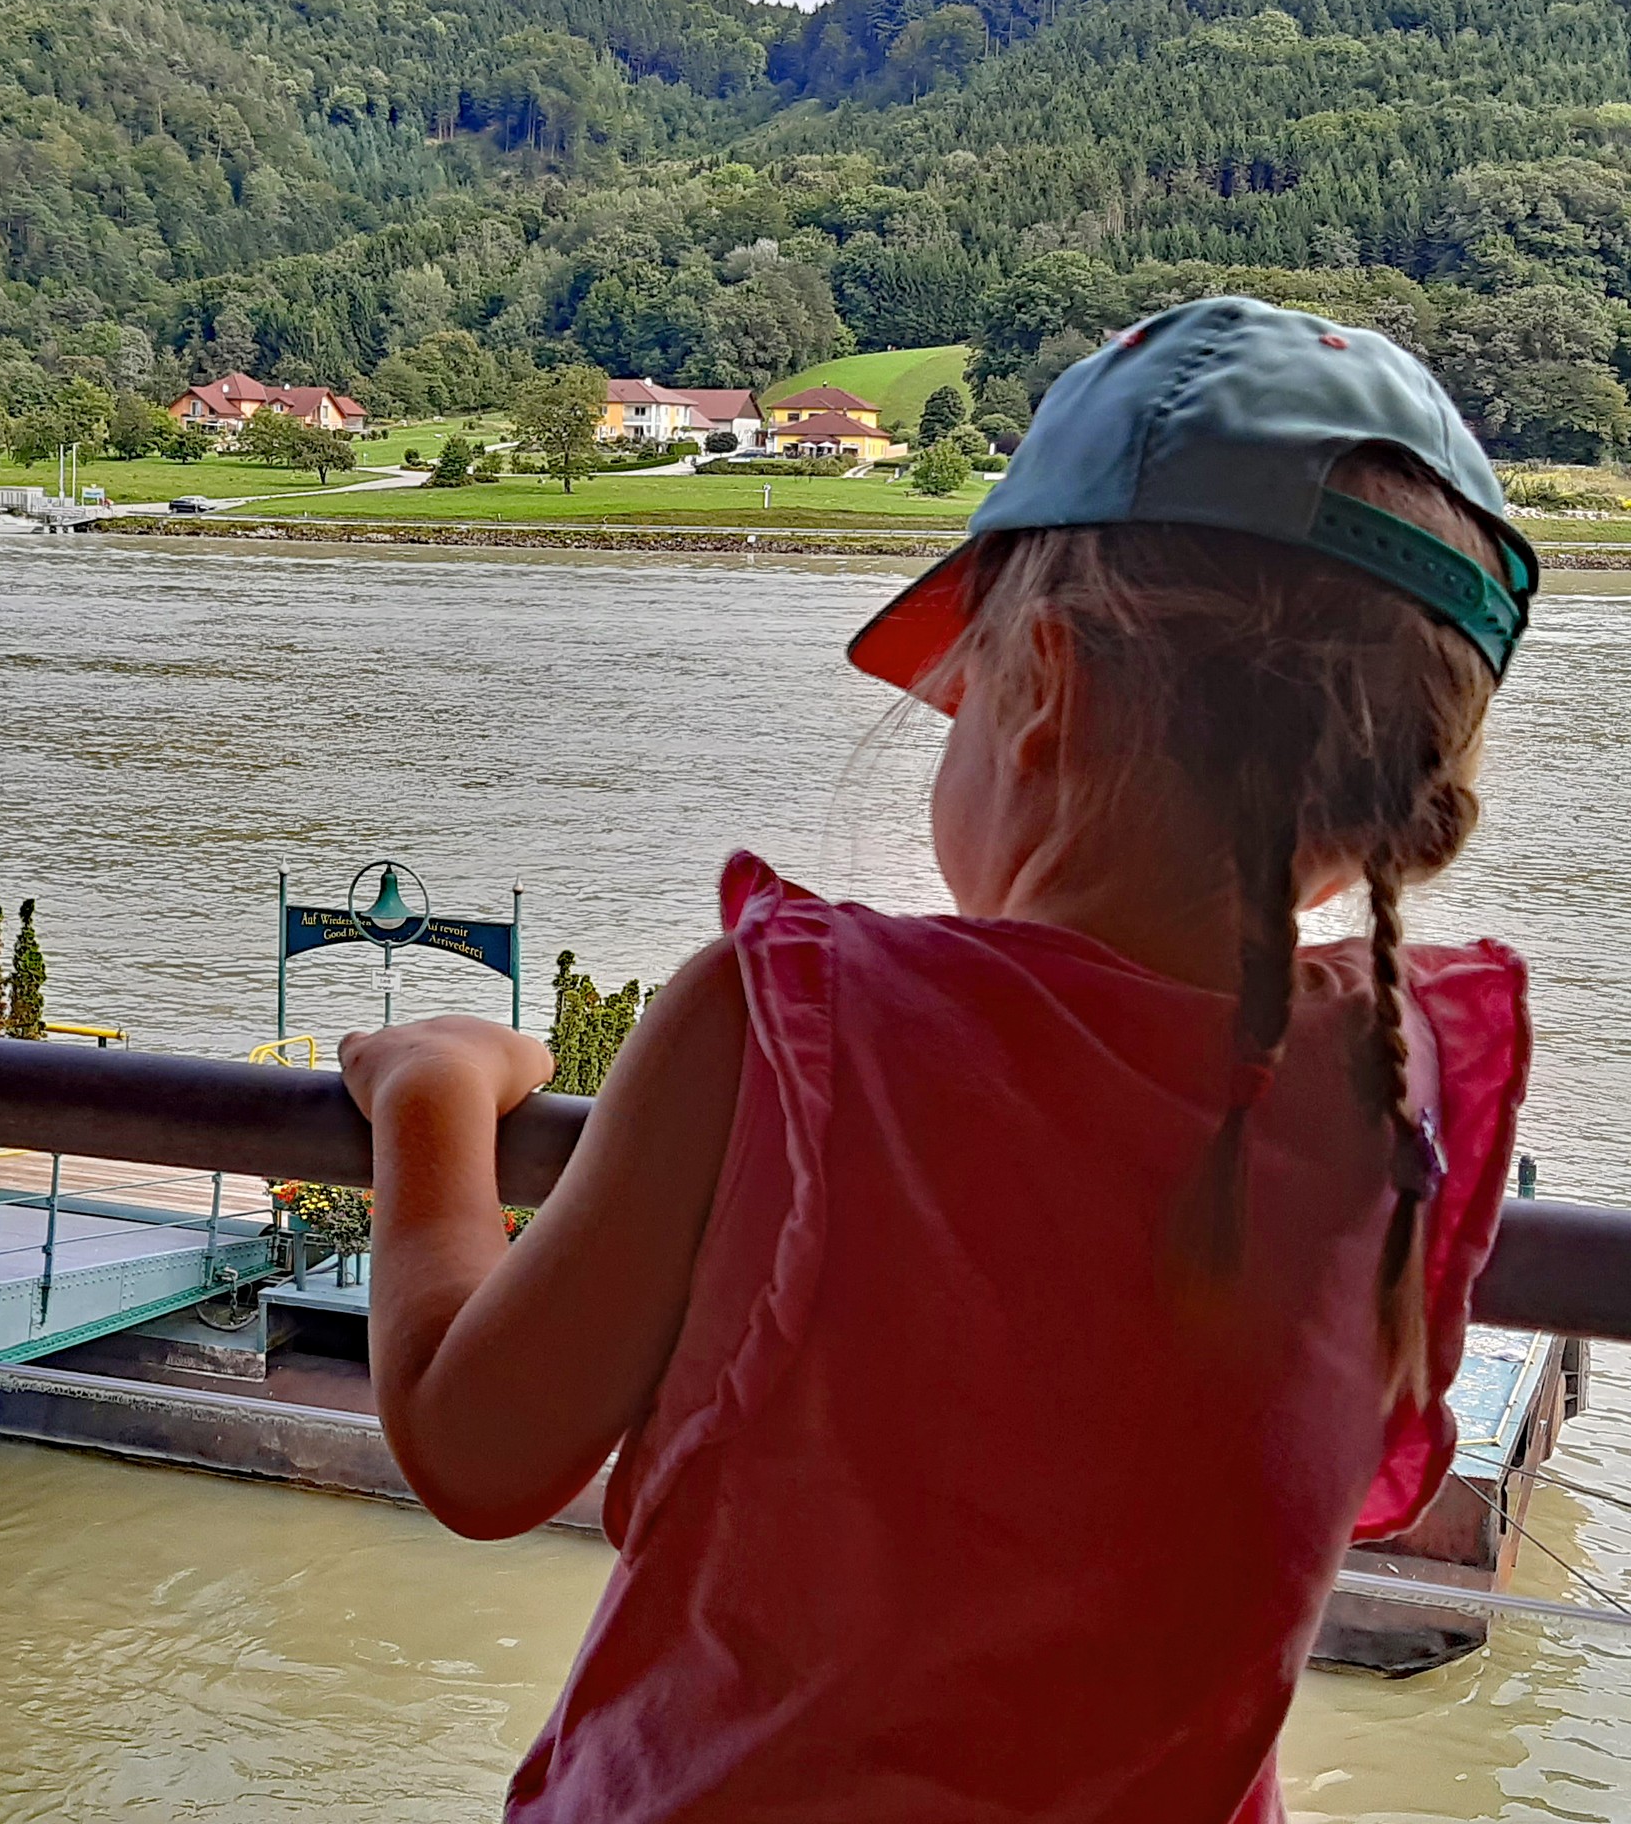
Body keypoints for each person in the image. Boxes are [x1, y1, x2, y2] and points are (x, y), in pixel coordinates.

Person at [339, 297, 1539, 1822]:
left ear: (1049, 688)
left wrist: (433, 1089)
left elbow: (475, 1443)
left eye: (957, 697)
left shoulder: (794, 1016)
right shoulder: (1407, 1082)